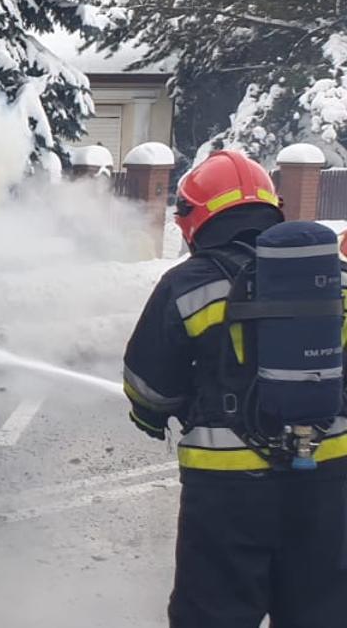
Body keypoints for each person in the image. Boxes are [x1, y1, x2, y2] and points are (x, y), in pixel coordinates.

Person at [121, 150, 347, 627]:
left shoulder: (186, 285)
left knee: (214, 615)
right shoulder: (335, 281)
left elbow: (149, 387)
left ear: (194, 218)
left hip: (227, 490)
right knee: (322, 612)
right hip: (329, 483)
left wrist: (155, 416)